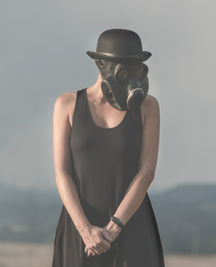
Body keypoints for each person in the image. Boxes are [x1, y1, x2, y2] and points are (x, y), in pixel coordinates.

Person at [52, 29, 165, 266]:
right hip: (79, 230)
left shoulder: (147, 107)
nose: (130, 73)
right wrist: (85, 230)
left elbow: (146, 172)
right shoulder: (67, 105)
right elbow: (62, 172)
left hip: (131, 226)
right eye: (122, 66)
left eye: (135, 66)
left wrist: (114, 228)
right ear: (101, 64)